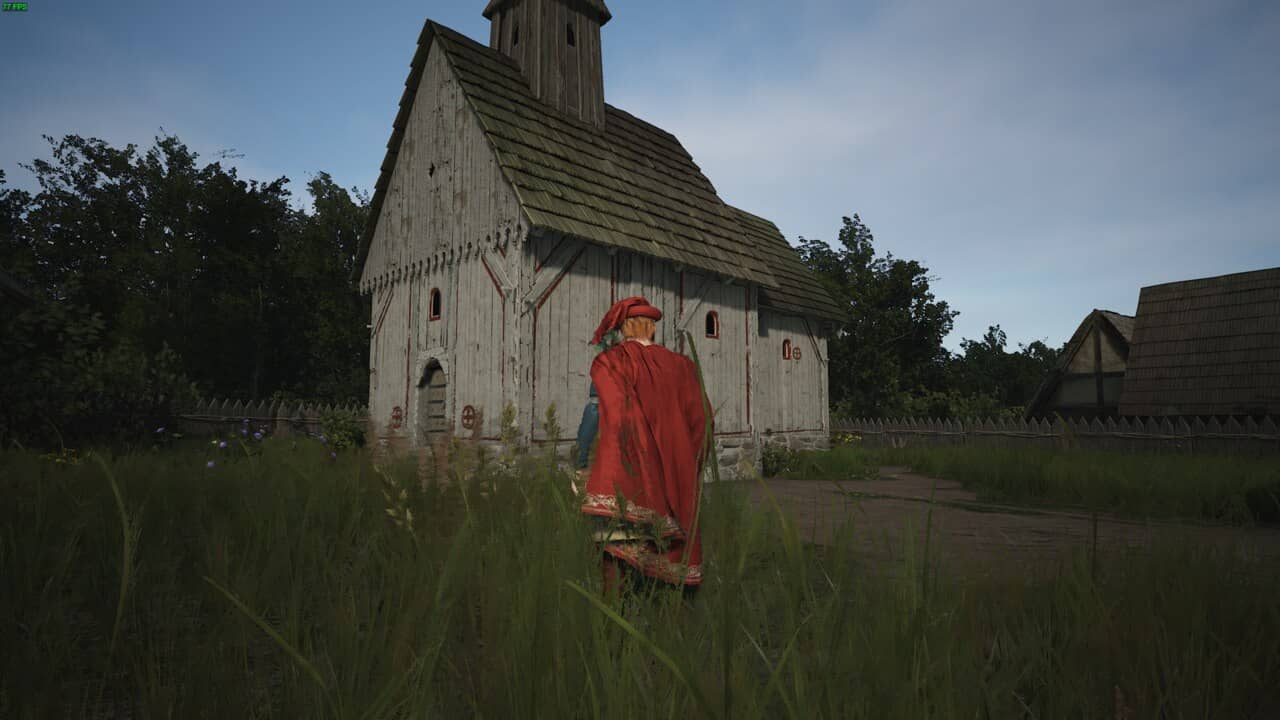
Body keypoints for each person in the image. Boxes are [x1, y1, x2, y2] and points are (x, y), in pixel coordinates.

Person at [579, 296, 711, 595]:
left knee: (618, 551)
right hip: (679, 467)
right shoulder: (683, 366)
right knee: (669, 555)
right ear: (651, 328)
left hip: (626, 469)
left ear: (624, 328)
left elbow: (610, 415)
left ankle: (616, 625)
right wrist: (686, 466)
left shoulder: (611, 361)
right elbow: (703, 422)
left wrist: (585, 461)